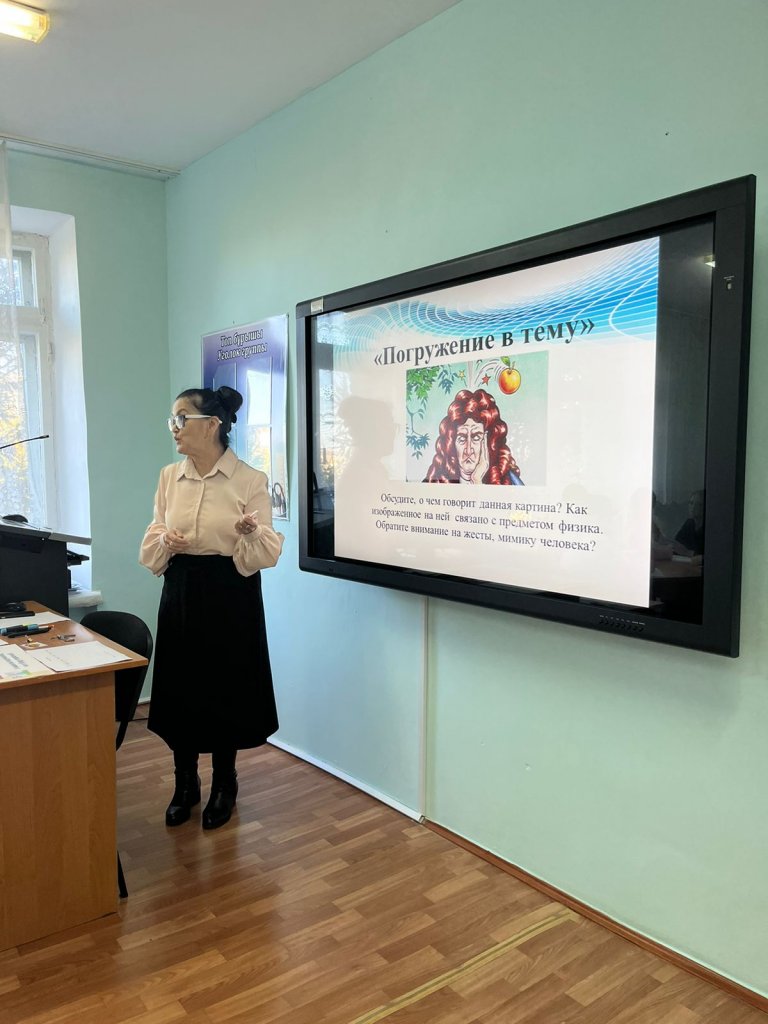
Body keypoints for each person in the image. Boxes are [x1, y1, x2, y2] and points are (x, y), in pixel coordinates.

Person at [139, 386, 284, 830]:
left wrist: (249, 533)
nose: (174, 428)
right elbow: (155, 533)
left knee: (226, 687)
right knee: (181, 687)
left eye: (182, 418)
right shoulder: (169, 477)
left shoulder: (250, 479)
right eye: (173, 419)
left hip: (230, 591)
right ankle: (185, 784)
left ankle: (225, 784)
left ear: (212, 425)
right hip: (182, 589)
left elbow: (267, 551)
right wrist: (166, 540)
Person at [423, 388, 523, 485]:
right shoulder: (434, 480)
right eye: (462, 439)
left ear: (489, 442)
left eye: (476, 438)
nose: (468, 451)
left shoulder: (511, 482)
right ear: (452, 443)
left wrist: (477, 480)